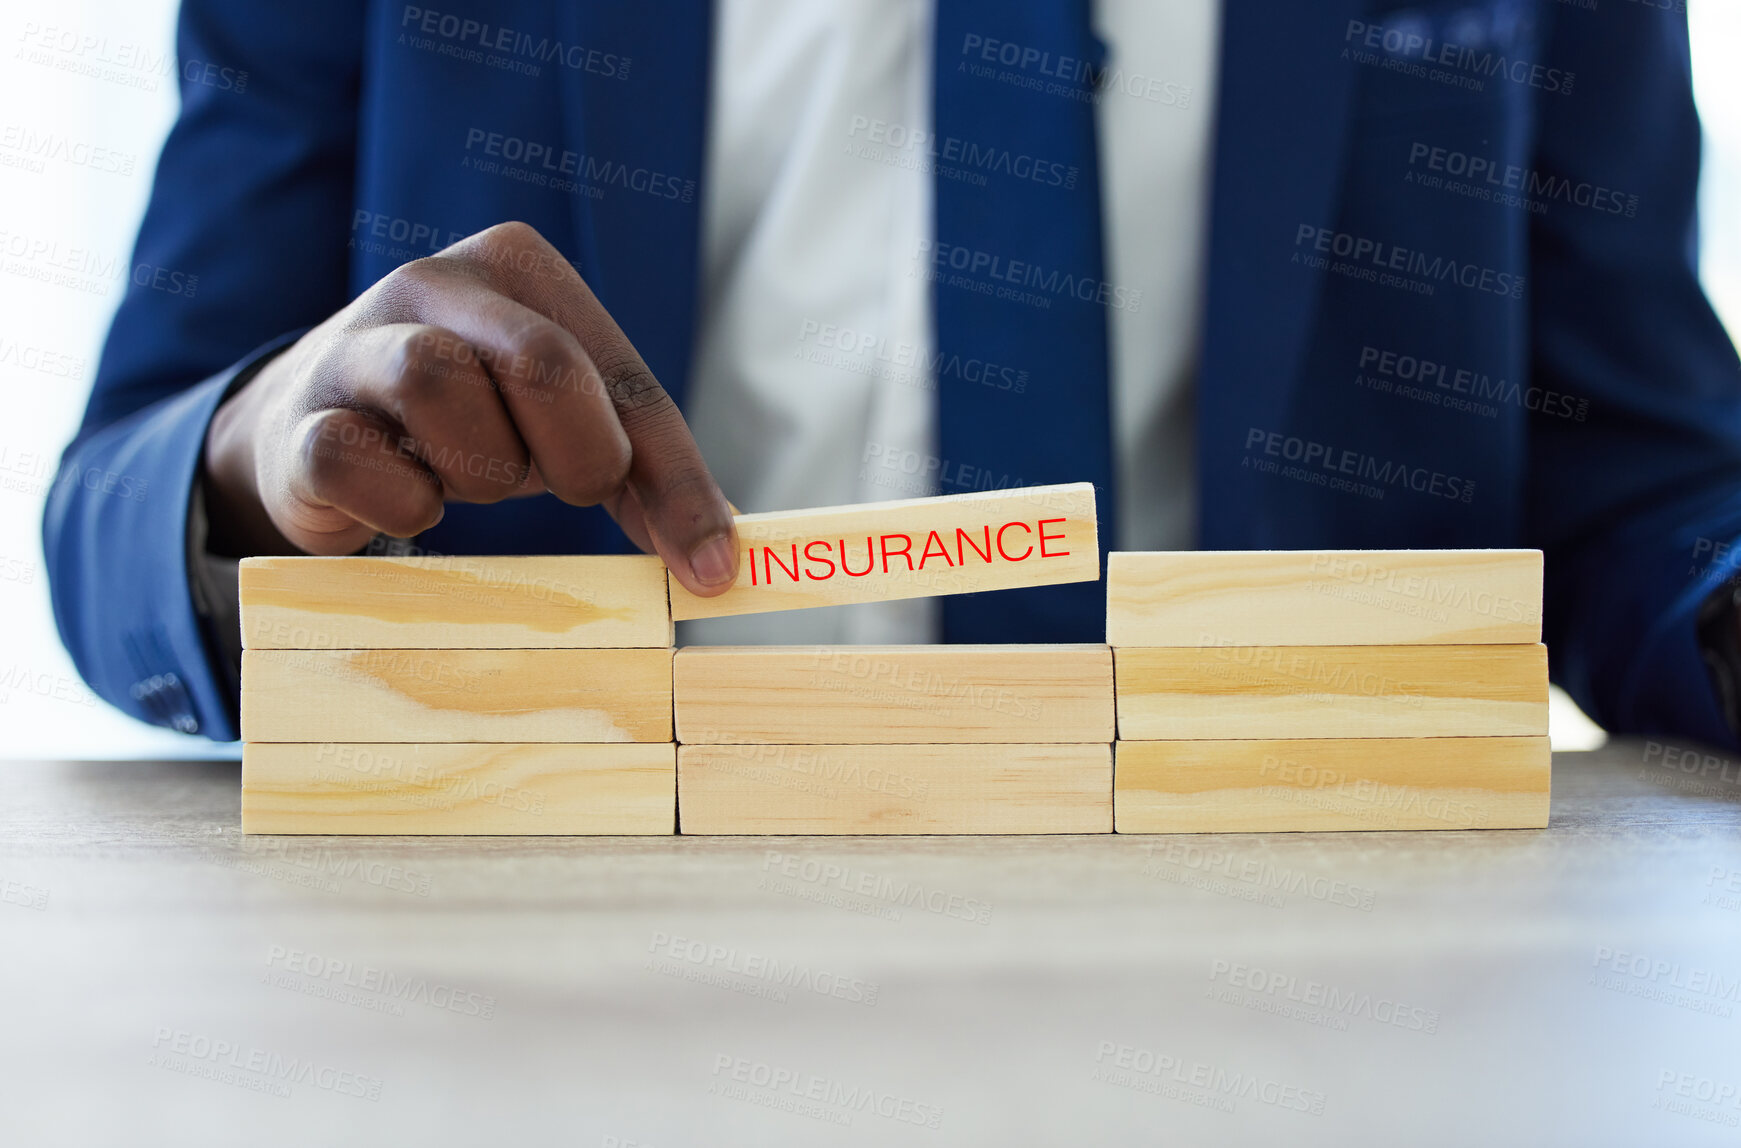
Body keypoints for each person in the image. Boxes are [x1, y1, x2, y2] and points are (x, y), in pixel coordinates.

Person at [43, 0, 1741, 748]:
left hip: (1310, 955)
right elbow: (126, 497)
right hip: (547, 966)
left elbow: (1642, 484)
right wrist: (262, 450)